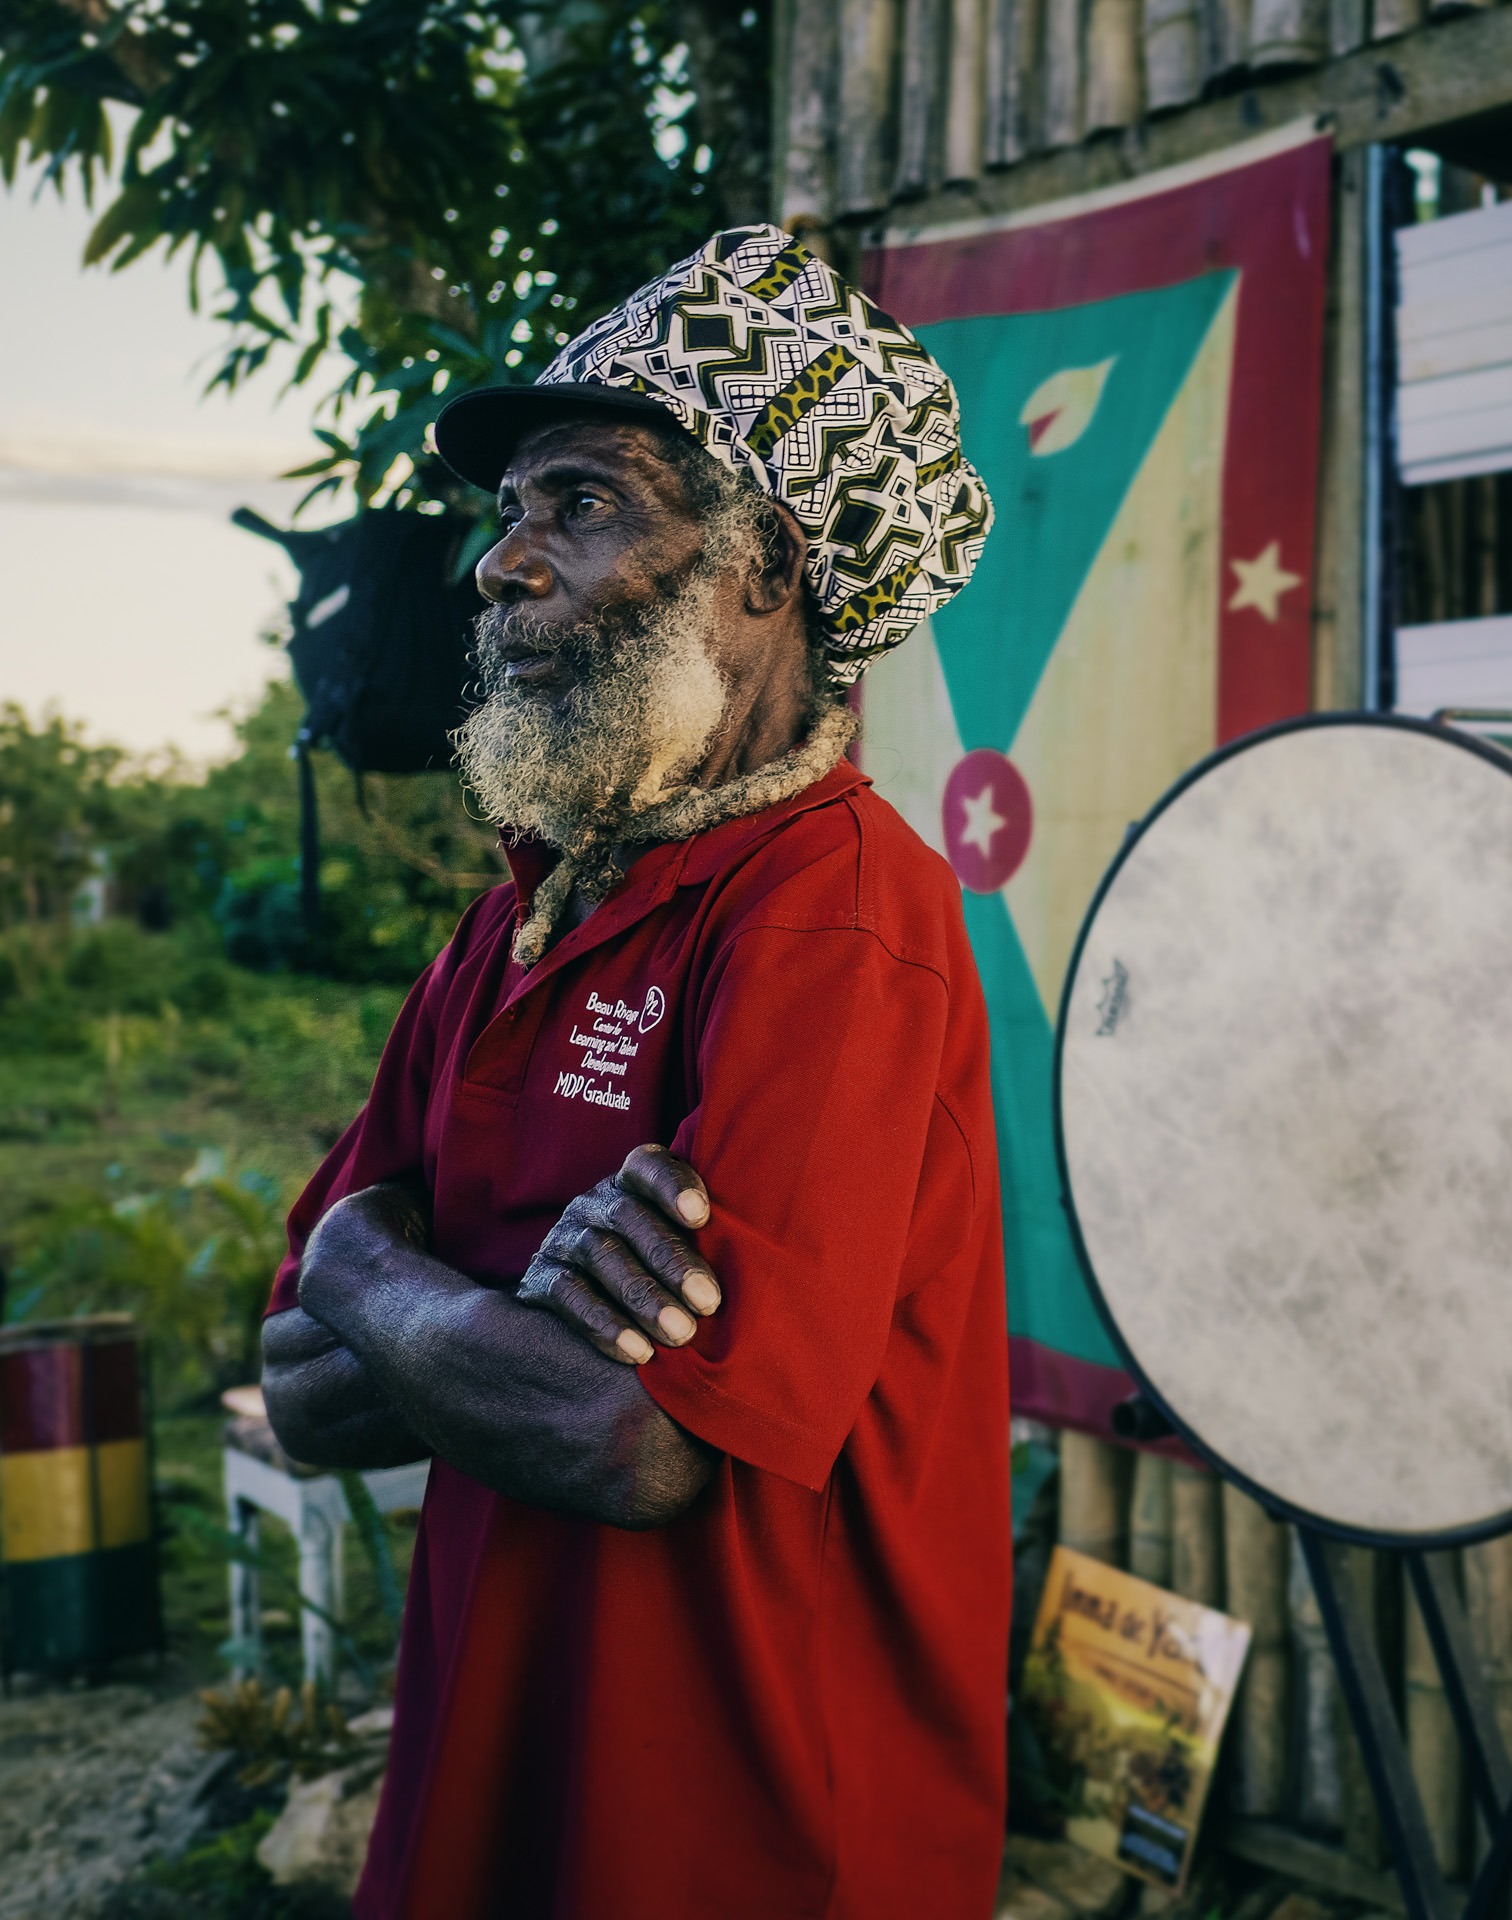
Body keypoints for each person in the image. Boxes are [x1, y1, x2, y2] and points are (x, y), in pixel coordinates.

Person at [260, 226, 1007, 1920]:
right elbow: (305, 1390)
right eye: (511, 513)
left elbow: (631, 1440)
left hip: (745, 1826)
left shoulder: (836, 909)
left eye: (581, 504)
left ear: (769, 563)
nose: (500, 566)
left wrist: (382, 1269)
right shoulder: (515, 917)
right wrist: (436, 1297)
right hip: (497, 1772)